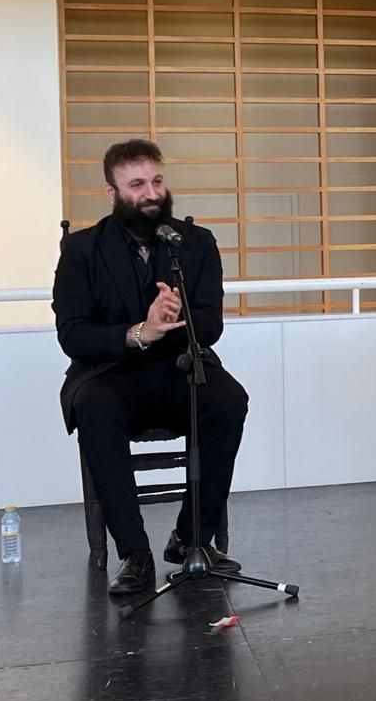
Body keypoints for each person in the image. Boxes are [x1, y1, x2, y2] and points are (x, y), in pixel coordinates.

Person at [52, 139, 248, 595]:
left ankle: (190, 537)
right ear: (113, 193)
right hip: (110, 374)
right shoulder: (82, 250)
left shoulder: (194, 243)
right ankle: (134, 554)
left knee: (228, 400)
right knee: (95, 409)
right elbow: (73, 335)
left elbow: (211, 323)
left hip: (180, 366)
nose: (151, 193)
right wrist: (142, 330)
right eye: (137, 184)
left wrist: (173, 321)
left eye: (157, 181)